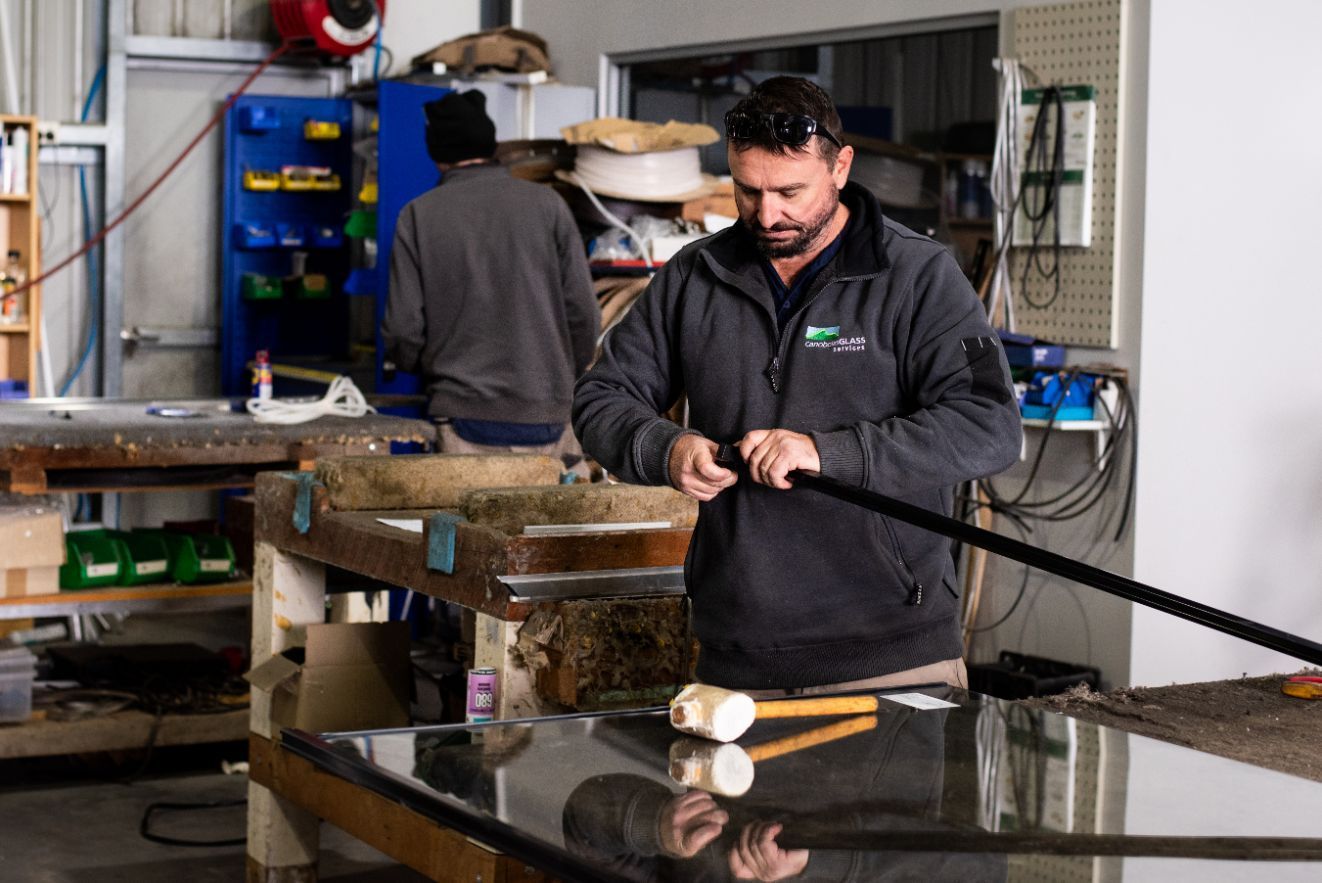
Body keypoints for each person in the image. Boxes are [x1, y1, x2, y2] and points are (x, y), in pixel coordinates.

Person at [573, 76, 1022, 694]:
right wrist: (665, 449)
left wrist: (825, 452)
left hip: (891, 657)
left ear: (840, 167)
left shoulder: (919, 277)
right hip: (736, 656)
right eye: (747, 190)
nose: (768, 213)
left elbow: (990, 425)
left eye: (790, 191)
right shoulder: (693, 276)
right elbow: (601, 399)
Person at [383, 90, 600, 464]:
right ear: (491, 145)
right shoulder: (549, 205)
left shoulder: (418, 215)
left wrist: (419, 367)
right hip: (549, 417)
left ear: (437, 156)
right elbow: (584, 313)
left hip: (463, 417)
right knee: (549, 521)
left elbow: (403, 328)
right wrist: (560, 379)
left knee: (468, 523)